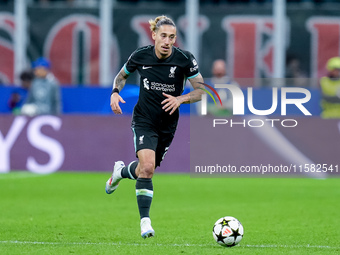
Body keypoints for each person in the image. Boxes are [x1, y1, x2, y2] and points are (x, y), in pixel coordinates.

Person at [105, 15, 205, 239]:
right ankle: (145, 222)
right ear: (154, 36)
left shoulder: (185, 60)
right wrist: (114, 93)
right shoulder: (140, 55)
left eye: (172, 37)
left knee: (144, 170)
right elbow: (121, 77)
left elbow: (201, 91)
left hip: (168, 124)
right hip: (144, 120)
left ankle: (120, 172)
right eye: (163, 36)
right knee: (148, 168)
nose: (167, 41)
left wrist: (180, 99)